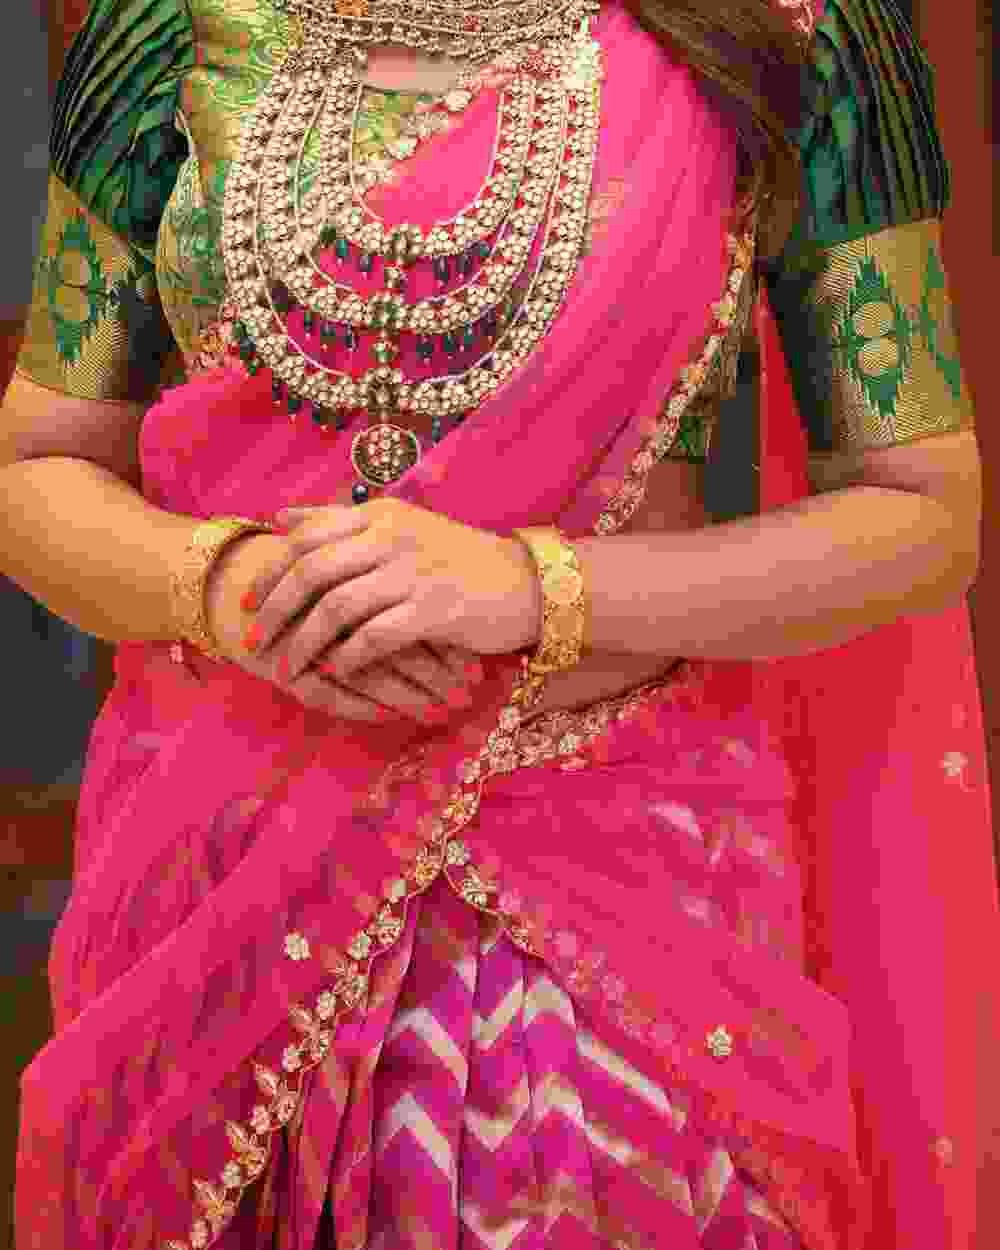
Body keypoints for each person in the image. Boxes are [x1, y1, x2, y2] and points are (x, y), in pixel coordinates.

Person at [3, 0, 996, 1247]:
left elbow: (920, 512)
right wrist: (233, 586)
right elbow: (38, 468)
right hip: (222, 889)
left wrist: (531, 589)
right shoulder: (172, 23)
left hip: (612, 898)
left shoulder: (785, 21)